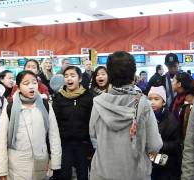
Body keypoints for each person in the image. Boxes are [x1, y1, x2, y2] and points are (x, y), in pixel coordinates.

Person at [89, 51, 162, 180]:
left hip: (102, 172)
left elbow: (93, 136)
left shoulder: (98, 102)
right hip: (135, 173)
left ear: (109, 75)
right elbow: (154, 144)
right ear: (133, 75)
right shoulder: (142, 103)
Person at [0, 70, 62, 180]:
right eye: (26, 84)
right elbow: (1, 140)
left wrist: (55, 163)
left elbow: (54, 135)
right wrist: (1, 170)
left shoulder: (46, 106)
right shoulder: (10, 108)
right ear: (18, 87)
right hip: (17, 166)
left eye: (34, 83)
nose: (31, 87)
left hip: (41, 164)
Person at [52, 66, 93, 180]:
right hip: (64, 144)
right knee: (64, 174)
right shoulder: (59, 97)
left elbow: (91, 121)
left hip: (83, 143)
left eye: (72, 75)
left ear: (79, 79)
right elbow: (54, 122)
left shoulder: (88, 97)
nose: (69, 78)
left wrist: (90, 145)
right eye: (66, 76)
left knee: (83, 174)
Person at [148, 86, 181, 180]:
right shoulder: (145, 116)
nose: (152, 102)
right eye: (150, 99)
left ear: (164, 102)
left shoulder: (171, 120)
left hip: (165, 164)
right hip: (149, 162)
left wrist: (159, 145)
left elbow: (176, 144)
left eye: (156, 99)